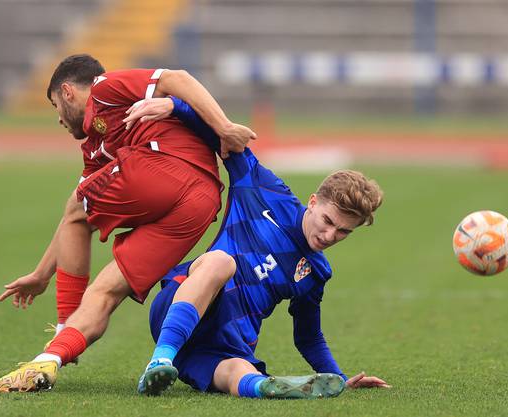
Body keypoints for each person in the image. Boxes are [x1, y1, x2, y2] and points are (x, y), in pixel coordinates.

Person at [0, 54, 256, 393]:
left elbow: (179, 78)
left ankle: (62, 327)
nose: (58, 118)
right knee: (104, 291)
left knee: (75, 205)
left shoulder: (104, 88)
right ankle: (50, 359)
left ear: (67, 91)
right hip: (200, 204)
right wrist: (43, 273)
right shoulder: (95, 150)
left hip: (166, 165)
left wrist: (225, 127)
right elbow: (77, 218)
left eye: (56, 105)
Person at [132, 97, 389, 399]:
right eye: (328, 221)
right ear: (314, 202)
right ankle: (160, 358)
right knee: (220, 262)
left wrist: (341, 380)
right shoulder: (265, 190)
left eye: (344, 231)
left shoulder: (315, 272)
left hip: (224, 344)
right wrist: (177, 106)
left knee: (240, 371)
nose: (331, 235)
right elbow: (222, 136)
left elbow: (308, 337)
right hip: (182, 302)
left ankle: (268, 387)